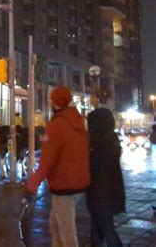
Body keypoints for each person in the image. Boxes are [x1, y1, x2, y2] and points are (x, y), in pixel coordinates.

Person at [27, 86, 90, 247]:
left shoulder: (56, 125)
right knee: (55, 225)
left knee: (67, 234)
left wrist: (32, 185)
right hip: (78, 183)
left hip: (63, 186)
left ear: (54, 102)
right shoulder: (79, 122)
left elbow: (47, 160)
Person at [86, 108, 124, 247]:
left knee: (107, 228)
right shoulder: (111, 137)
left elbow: (93, 164)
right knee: (98, 227)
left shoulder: (97, 140)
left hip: (100, 192)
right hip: (108, 190)